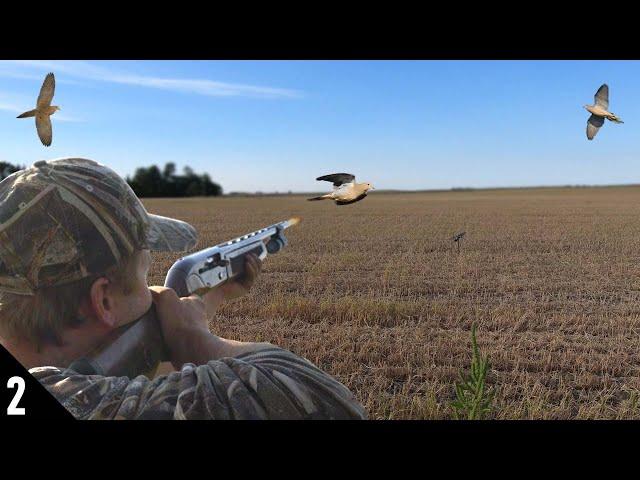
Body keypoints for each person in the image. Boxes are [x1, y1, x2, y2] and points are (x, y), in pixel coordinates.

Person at [0, 158, 367, 420]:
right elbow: (325, 402)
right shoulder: (84, 402)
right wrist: (193, 337)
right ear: (104, 300)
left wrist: (211, 298)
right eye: (145, 276)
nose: (155, 291)